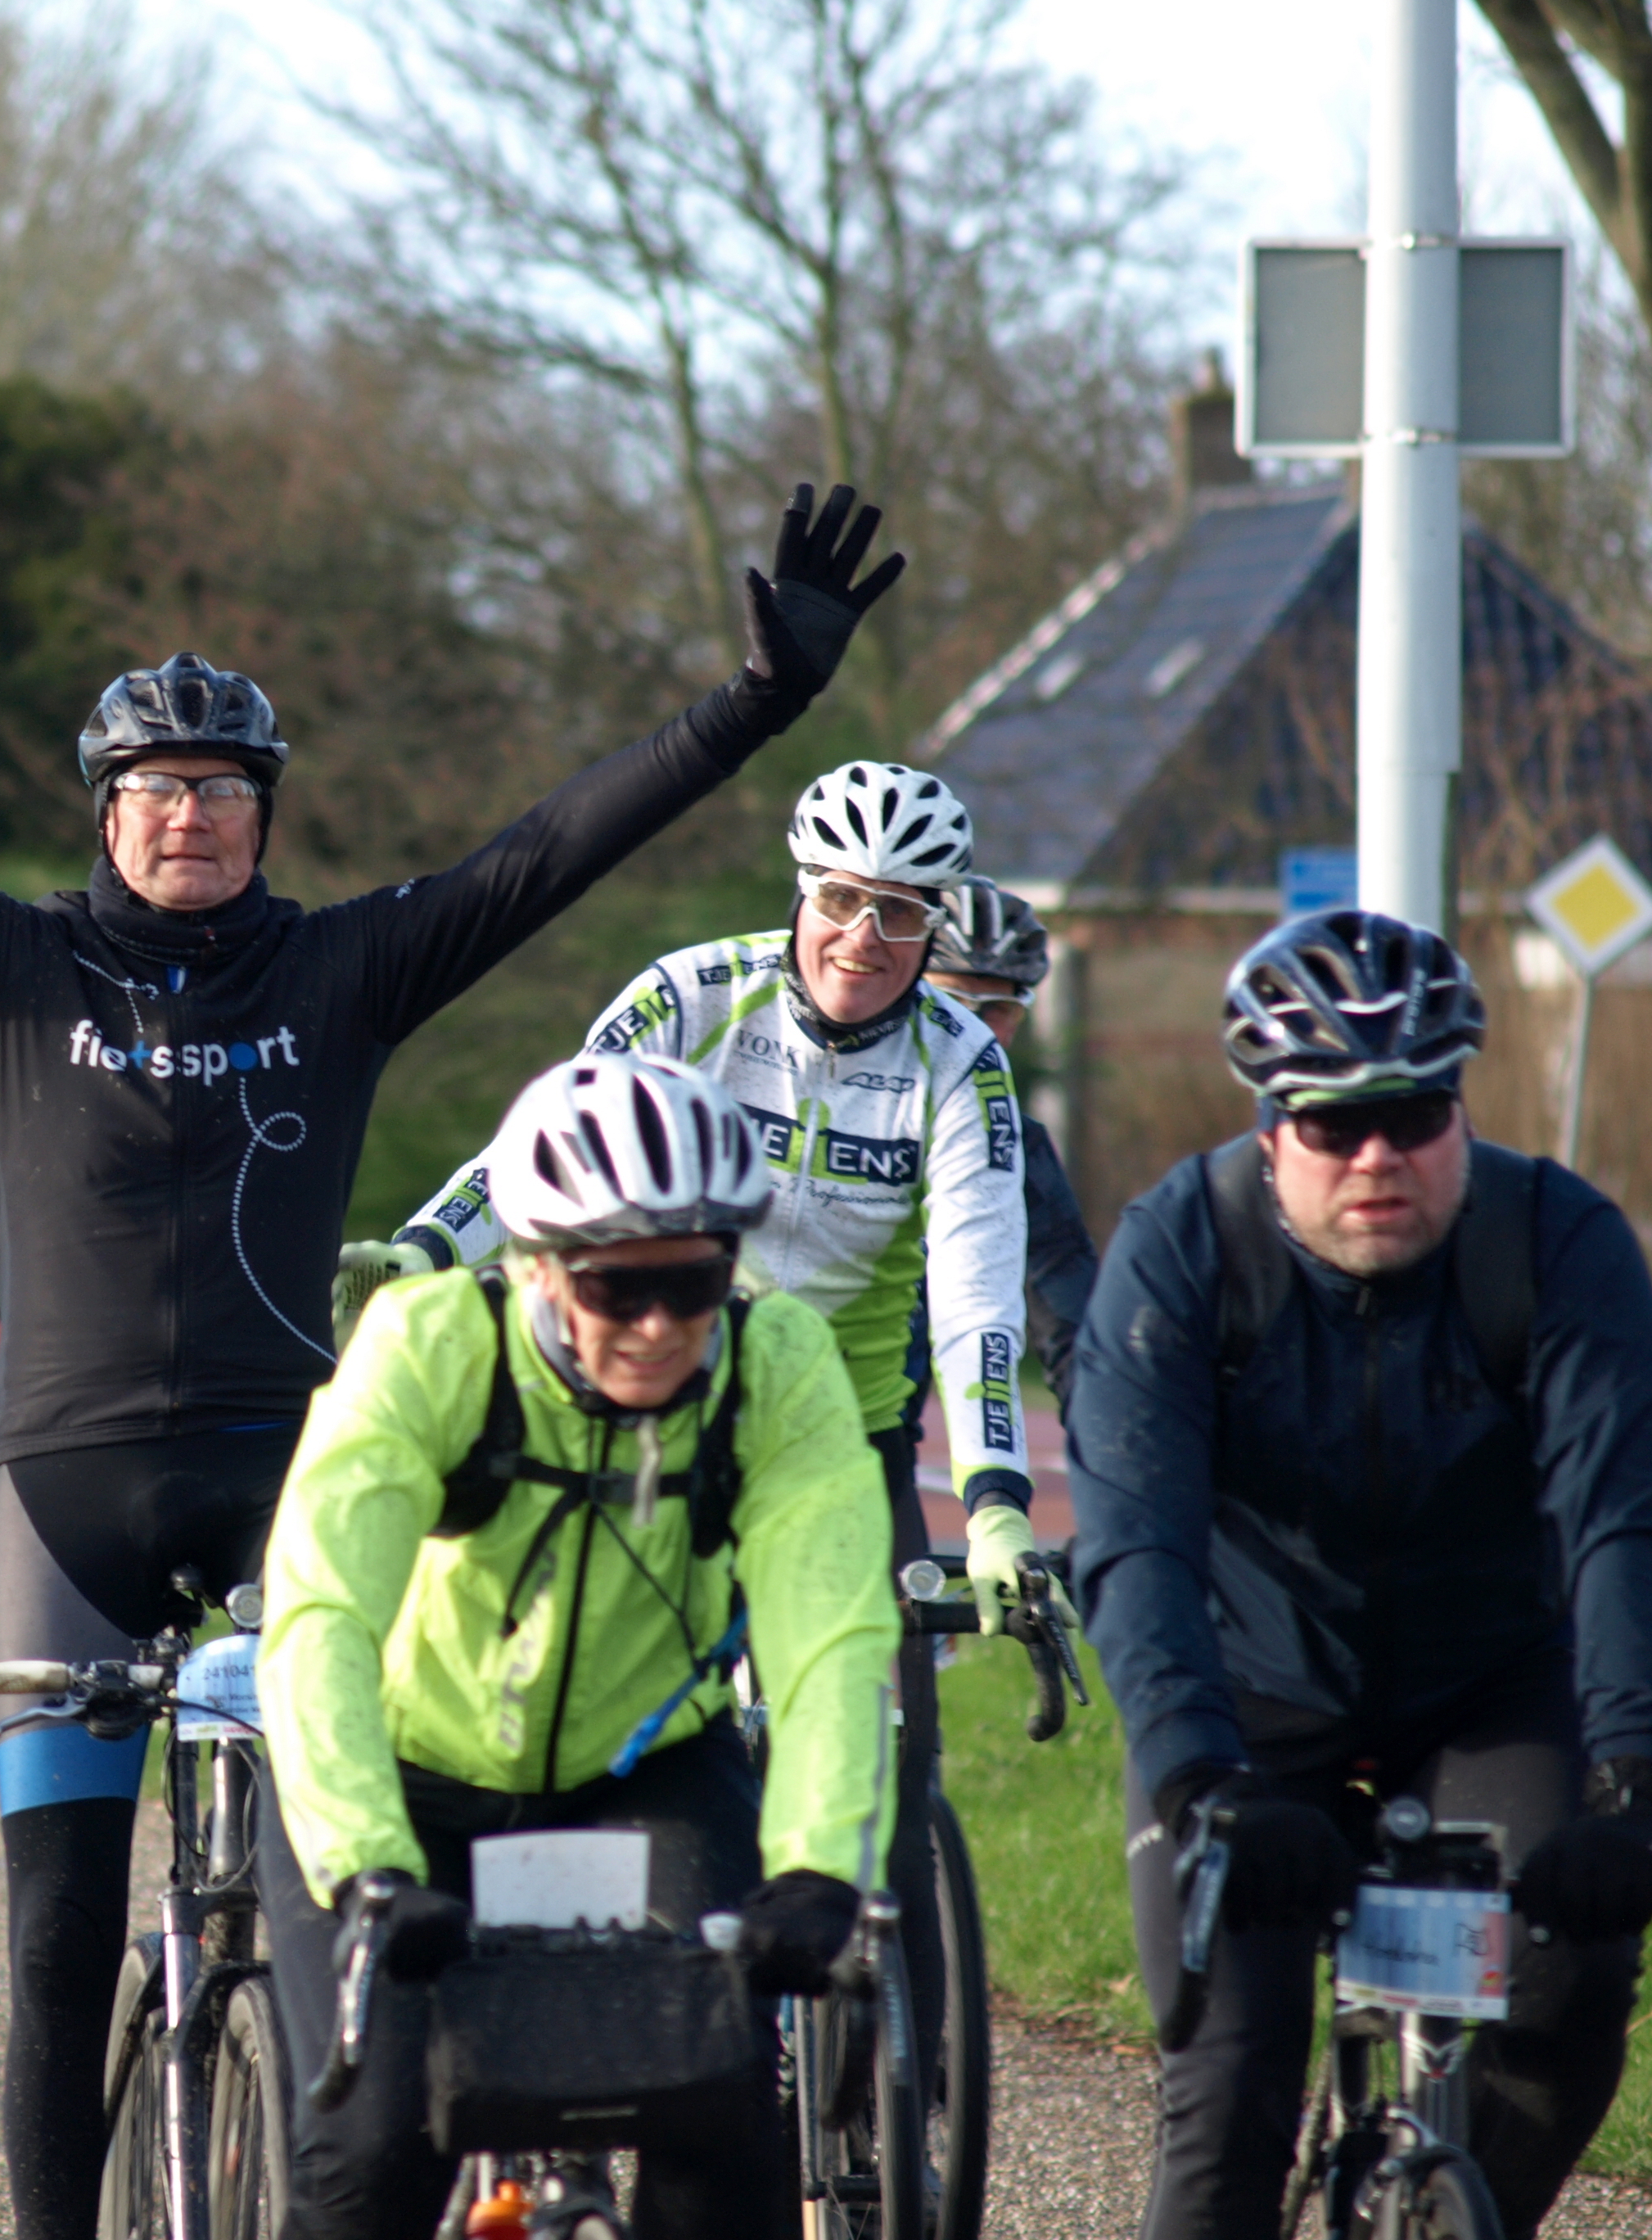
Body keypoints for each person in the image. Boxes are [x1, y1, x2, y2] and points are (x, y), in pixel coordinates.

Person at [0, 445, 905, 2240]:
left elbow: (552, 851)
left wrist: (758, 698)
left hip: (290, 1493)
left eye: (222, 788)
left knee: (339, 1894)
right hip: (67, 1515)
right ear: (103, 814)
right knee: (56, 1945)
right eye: (153, 788)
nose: (188, 815)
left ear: (266, 813)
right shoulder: (1, 967)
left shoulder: (343, 971)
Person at [361, 759, 1044, 2074]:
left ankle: (906, 2091)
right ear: (802, 893)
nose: (866, 937)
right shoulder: (691, 994)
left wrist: (1000, 1496)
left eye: (904, 914)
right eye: (844, 899)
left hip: (833, 1434)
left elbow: (977, 1290)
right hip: (650, 1407)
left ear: (937, 927)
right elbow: (547, 1147)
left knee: (888, 1780)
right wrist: (425, 1247)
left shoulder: (963, 1065)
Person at [1066, 908, 1652, 2240]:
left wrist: (1638, 1784)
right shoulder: (1179, 1252)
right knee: (1227, 2105)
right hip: (1247, 1702)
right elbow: (1136, 1550)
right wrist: (1198, 1777)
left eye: (1411, 1116)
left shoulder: (1555, 1244)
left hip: (1487, 1685)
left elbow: (1623, 1529)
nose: (1375, 1156)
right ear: (1266, 1128)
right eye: (1329, 1123)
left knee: (1573, 1991)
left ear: (1459, 1108)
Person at [258, 1051, 899, 2238]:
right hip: (404, 1783)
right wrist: (364, 1866)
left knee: (724, 2129)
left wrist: (818, 1870)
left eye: (696, 1282)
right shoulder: (430, 1343)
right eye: (616, 1290)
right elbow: (319, 1615)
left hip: (641, 1773)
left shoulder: (776, 1364)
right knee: (371, 2151)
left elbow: (832, 1638)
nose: (660, 1327)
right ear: (542, 1270)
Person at [914, 874, 1096, 1411]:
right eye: (950, 1001)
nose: (975, 1029)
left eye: (998, 1008)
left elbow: (1074, 1324)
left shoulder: (1017, 1140)